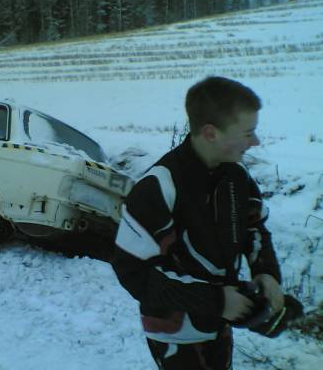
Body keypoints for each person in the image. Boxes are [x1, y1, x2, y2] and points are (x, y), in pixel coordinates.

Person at [111, 76, 284, 369]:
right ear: (210, 133)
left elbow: (255, 228)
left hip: (220, 322)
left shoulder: (237, 177)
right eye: (248, 133)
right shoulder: (157, 187)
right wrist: (216, 300)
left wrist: (266, 272)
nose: (256, 141)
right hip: (175, 335)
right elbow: (133, 272)